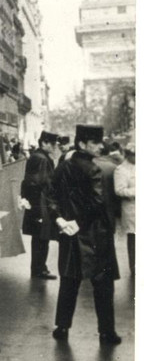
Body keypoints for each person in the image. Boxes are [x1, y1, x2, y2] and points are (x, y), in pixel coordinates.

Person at [48, 125, 122, 345]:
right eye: (95, 143)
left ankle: (62, 327)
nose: (101, 146)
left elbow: (50, 195)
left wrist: (61, 220)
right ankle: (106, 332)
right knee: (103, 283)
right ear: (82, 144)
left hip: (69, 234)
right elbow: (98, 203)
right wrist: (79, 223)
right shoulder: (93, 169)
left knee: (69, 281)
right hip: (95, 233)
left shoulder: (63, 167)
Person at [20, 130, 60, 280]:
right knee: (41, 238)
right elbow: (39, 183)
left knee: (40, 239)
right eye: (52, 143)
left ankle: (39, 268)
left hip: (37, 204)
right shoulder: (41, 159)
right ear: (44, 143)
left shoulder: (38, 157)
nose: (55, 146)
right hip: (40, 205)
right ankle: (39, 269)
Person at [114, 148, 135, 276]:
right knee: (134, 239)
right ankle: (135, 267)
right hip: (132, 209)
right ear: (128, 155)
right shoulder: (121, 170)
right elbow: (119, 190)